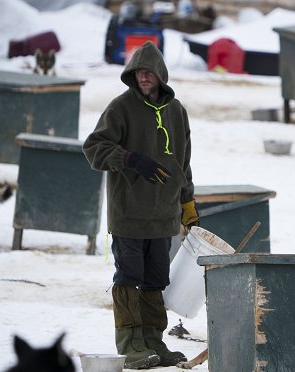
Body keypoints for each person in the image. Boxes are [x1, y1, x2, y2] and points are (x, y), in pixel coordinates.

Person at [82, 41, 199, 369]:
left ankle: (153, 342)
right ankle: (131, 344)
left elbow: (183, 163)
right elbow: (94, 147)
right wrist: (130, 159)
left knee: (156, 279)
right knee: (130, 277)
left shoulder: (177, 112)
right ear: (132, 75)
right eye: (139, 72)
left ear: (161, 75)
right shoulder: (121, 108)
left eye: (149, 72)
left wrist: (187, 204)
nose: (144, 77)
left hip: (163, 216)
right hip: (129, 213)